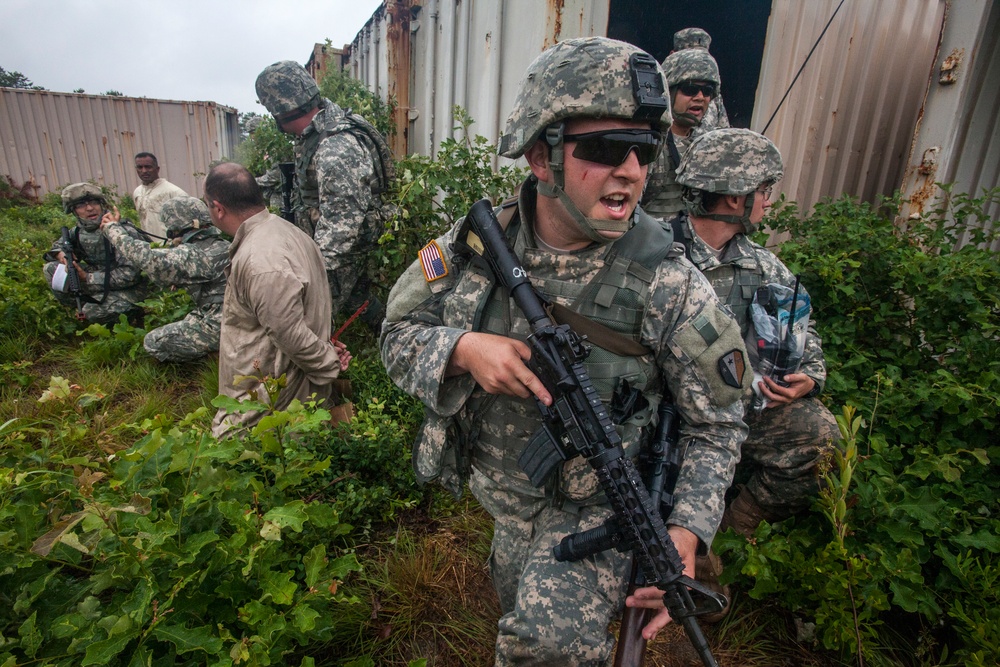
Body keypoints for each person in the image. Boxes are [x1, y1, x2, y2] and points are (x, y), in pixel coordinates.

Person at [381, 38, 751, 664]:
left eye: (644, 150)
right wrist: (463, 348)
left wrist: (687, 530)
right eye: (606, 149)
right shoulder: (477, 242)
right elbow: (394, 335)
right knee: (516, 604)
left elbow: (718, 423)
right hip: (505, 497)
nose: (630, 171)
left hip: (599, 504)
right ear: (540, 156)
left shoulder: (669, 282)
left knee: (543, 649)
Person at [662, 127, 840, 615]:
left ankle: (728, 532)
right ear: (735, 196)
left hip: (736, 407)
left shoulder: (763, 266)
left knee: (820, 438)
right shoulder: (654, 251)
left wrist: (808, 374)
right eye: (764, 191)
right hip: (661, 409)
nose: (768, 202)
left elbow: (801, 330)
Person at [205, 162, 351, 437]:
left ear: (218, 208)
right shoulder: (287, 231)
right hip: (285, 380)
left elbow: (289, 332)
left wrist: (328, 362)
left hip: (277, 399)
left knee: (228, 449)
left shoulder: (261, 259)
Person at [254, 60, 394, 332]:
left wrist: (313, 276)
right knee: (357, 297)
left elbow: (341, 227)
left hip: (341, 248)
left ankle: (318, 367)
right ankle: (393, 331)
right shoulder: (317, 132)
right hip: (334, 241)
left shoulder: (336, 147)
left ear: (280, 111)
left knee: (310, 314)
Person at [99, 196, 230, 362]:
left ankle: (217, 357)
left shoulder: (194, 254)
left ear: (175, 226)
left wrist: (113, 230)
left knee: (154, 341)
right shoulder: (220, 245)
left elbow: (147, 258)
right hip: (228, 314)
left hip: (222, 322)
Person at [43, 182, 148, 324]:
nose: (90, 208)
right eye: (81, 205)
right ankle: (79, 306)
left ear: (102, 205)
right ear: (73, 211)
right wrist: (61, 255)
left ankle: (136, 314)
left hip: (133, 289)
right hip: (100, 281)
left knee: (91, 313)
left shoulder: (121, 232)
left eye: (94, 202)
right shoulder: (77, 232)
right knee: (51, 269)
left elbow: (130, 276)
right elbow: (55, 248)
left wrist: (87, 278)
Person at [641, 48, 724, 221]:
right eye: (690, 89)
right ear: (668, 92)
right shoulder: (649, 141)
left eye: (707, 91)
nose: (700, 97)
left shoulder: (707, 145)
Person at [671, 27, 730, 130]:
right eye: (690, 89)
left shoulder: (714, 98)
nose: (700, 97)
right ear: (672, 56)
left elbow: (723, 133)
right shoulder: (664, 91)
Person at [133, 152, 188, 239]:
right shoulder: (138, 192)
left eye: (148, 167)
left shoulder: (174, 192)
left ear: (157, 169)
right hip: (149, 247)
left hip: (170, 248)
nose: (144, 171)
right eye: (140, 167)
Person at [245, 116, 285, 213]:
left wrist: (251, 181)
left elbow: (273, 178)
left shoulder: (273, 148)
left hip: (280, 196)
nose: (252, 137)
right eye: (250, 133)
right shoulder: (264, 149)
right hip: (270, 195)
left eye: (253, 132)